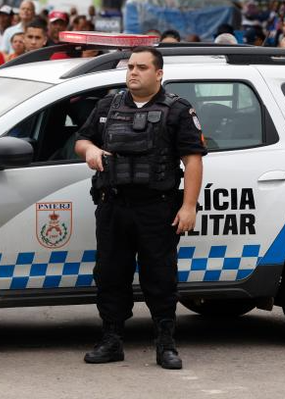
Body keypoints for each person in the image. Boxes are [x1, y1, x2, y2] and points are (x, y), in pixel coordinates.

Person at [74, 47, 206, 370]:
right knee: (110, 274)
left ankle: (165, 343)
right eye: (131, 66)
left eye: (142, 67)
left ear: (158, 73)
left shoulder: (177, 110)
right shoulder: (108, 106)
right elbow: (81, 140)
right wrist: (89, 150)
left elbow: (192, 160)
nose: (133, 72)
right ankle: (111, 340)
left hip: (156, 208)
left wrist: (189, 206)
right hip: (113, 205)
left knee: (160, 276)